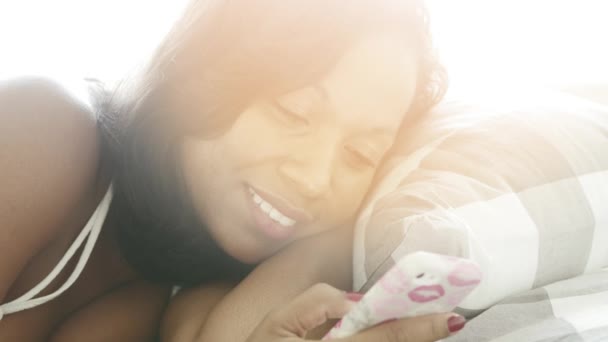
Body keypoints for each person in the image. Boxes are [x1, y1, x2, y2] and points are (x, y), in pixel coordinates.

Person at [0, 0, 456, 341]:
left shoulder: (187, 293)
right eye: (292, 112)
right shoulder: (44, 129)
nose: (314, 178)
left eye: (359, 154)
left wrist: (336, 240)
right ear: (206, 70)